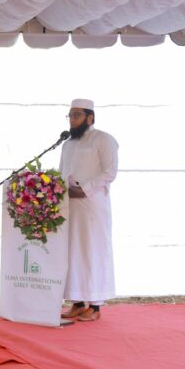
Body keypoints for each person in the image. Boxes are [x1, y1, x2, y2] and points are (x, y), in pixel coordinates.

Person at [59, 98, 118, 322]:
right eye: (70, 116)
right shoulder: (68, 144)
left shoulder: (103, 139)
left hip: (93, 205)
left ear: (90, 117)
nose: (72, 120)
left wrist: (84, 189)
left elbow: (110, 172)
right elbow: (62, 172)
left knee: (92, 252)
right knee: (72, 253)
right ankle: (77, 302)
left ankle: (94, 306)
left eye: (76, 115)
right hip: (70, 205)